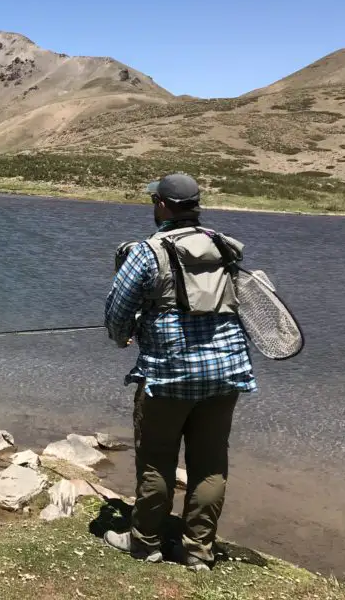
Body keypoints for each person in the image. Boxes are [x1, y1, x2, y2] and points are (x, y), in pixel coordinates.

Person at [102, 172, 256, 572]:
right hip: (226, 373)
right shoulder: (224, 246)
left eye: (155, 202)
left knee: (156, 460)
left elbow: (118, 310)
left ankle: (146, 543)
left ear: (163, 206)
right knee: (210, 464)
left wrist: (124, 336)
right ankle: (199, 551)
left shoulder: (148, 251)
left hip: (169, 376)